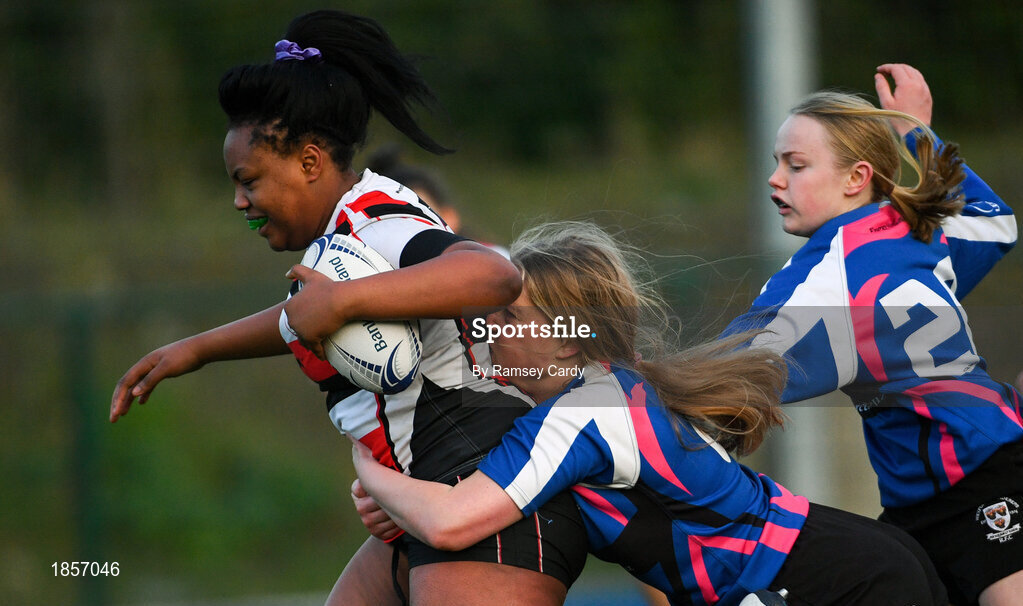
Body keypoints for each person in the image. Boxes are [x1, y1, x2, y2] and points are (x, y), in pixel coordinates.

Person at [109, 10, 586, 606]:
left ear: (309, 163)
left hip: (483, 494)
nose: (239, 202)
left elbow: (493, 274)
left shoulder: (375, 219)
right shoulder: (343, 238)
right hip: (432, 500)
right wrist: (196, 350)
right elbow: (303, 320)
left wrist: (341, 300)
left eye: (248, 180)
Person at [351, 221, 948, 606]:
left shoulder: (584, 413)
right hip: (848, 566)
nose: (488, 331)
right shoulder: (607, 392)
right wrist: (399, 500)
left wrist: (370, 464)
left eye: (509, 319)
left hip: (839, 583)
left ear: (566, 340)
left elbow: (452, 522)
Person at [725, 64, 1022, 606]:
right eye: (776, 163)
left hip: (985, 478)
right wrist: (916, 130)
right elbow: (994, 224)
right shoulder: (913, 226)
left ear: (856, 178)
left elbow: (726, 373)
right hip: (924, 499)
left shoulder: (826, 275)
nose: (776, 178)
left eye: (797, 165)